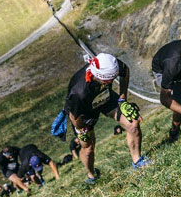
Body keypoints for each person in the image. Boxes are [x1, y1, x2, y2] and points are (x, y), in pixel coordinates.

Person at [64, 52, 151, 185]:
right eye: (110, 80)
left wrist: (122, 99)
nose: (113, 81)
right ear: (102, 78)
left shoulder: (109, 64)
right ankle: (91, 175)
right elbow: (73, 116)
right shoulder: (78, 92)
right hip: (84, 112)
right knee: (88, 148)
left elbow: (125, 71)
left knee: (133, 123)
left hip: (105, 97)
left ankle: (137, 161)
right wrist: (81, 130)